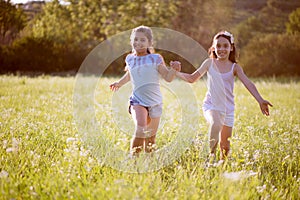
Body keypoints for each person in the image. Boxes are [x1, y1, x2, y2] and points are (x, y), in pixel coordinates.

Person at [175, 30, 272, 164]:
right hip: (211, 106)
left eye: (225, 46)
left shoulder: (235, 67)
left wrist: (260, 100)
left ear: (231, 48)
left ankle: (221, 166)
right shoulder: (209, 63)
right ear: (214, 48)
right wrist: (177, 73)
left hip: (228, 109)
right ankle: (210, 159)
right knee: (216, 123)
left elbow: (248, 83)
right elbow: (192, 78)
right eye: (218, 46)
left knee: (225, 147)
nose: (221, 49)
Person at [110, 25, 181, 155]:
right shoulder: (129, 58)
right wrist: (119, 83)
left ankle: (149, 163)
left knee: (150, 138)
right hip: (137, 101)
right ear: (131, 41)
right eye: (136, 39)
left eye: (143, 40)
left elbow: (168, 77)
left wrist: (174, 70)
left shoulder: (155, 58)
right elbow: (130, 74)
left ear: (149, 42)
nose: (138, 42)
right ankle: (134, 161)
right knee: (140, 129)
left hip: (155, 102)